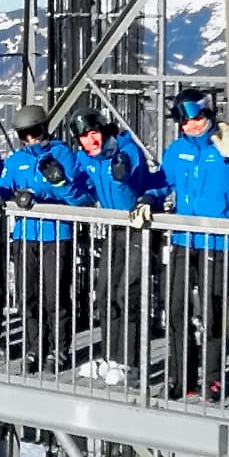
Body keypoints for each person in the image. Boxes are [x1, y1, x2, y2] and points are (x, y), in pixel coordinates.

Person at [160, 90, 229, 398]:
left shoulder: (228, 144)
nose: (193, 125)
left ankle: (212, 378)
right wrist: (146, 197)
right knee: (177, 309)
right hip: (183, 239)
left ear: (208, 116)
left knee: (213, 311)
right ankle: (182, 376)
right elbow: (162, 183)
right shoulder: (176, 151)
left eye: (198, 118)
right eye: (187, 120)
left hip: (220, 242)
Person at [0, 104, 92, 371]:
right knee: (28, 296)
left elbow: (79, 198)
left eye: (34, 132)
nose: (30, 139)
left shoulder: (62, 155)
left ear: (44, 129)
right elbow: (4, 182)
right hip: (26, 235)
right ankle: (35, 349)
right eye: (24, 134)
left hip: (56, 234)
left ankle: (59, 350)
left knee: (55, 297)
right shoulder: (17, 160)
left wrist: (59, 184)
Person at [68, 108, 162, 380]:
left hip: (138, 228)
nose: (91, 141)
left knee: (127, 293)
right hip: (113, 229)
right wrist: (62, 183)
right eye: (84, 137)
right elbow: (82, 195)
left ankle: (129, 363)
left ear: (103, 130)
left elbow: (132, 184)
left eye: (94, 133)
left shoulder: (125, 150)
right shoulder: (86, 159)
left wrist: (123, 177)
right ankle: (111, 357)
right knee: (105, 293)